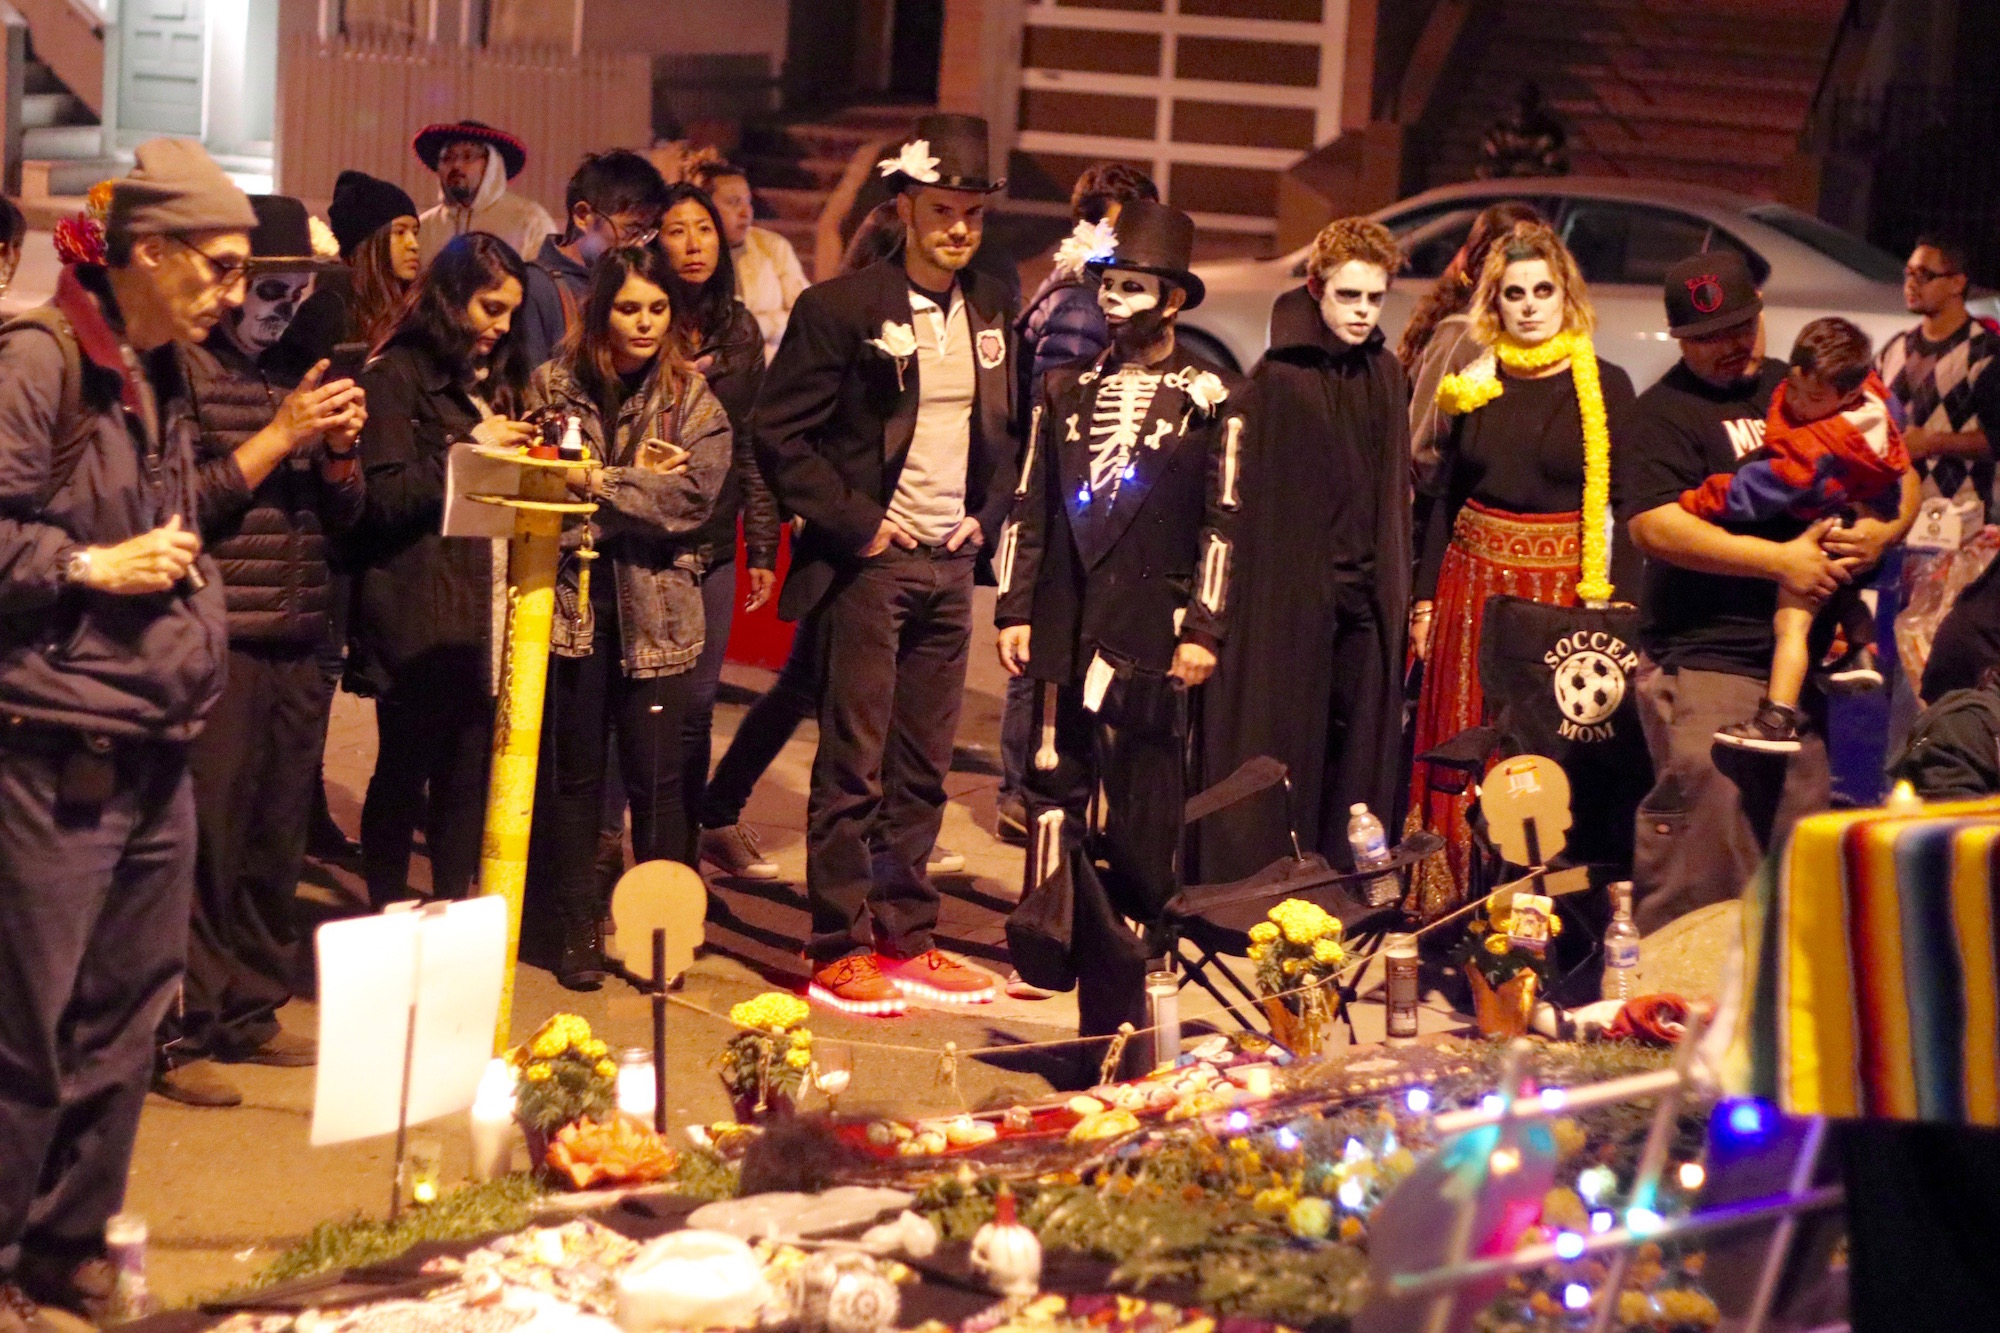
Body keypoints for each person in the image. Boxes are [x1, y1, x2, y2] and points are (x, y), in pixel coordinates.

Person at [0, 137, 249, 1326]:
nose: (235, 291)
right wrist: (91, 563)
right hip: (53, 757)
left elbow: (182, 523)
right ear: (150, 252)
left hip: (156, 752)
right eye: (220, 265)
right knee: (22, 1036)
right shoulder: (40, 362)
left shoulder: (160, 370)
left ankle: (69, 1248)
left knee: (127, 1021)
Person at [753, 113, 1017, 1015]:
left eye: (974, 215)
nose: (960, 230)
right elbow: (779, 433)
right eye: (944, 210)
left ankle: (908, 932)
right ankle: (834, 942)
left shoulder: (991, 302)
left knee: (924, 764)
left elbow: (1006, 430)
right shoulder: (841, 308)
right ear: (905, 206)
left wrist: (986, 518)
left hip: (951, 567)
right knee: (853, 765)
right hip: (874, 567)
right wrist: (862, 526)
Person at [995, 198, 1248, 1054]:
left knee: (1141, 817)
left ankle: (1146, 1001)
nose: (1114, 301)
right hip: (1068, 627)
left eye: (1133, 286)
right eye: (1108, 284)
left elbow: (1227, 520)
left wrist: (1204, 629)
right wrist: (1016, 605)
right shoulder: (1066, 392)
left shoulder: (1210, 400)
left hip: (1151, 628)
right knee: (1057, 799)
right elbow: (1033, 504)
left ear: (1173, 299)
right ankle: (1078, 991)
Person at [1613, 250, 1910, 933]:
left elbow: (1898, 463)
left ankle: (1770, 1016)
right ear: (1680, 338)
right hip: (1705, 659)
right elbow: (1654, 527)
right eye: (1711, 336)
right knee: (1704, 849)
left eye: (1744, 326)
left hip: (1795, 670)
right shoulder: (1663, 413)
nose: (1734, 345)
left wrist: (1882, 533)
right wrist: (1780, 561)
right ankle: (1669, 1013)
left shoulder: (1798, 384)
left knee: (1793, 857)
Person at [152, 196, 369, 1107]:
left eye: (296, 292)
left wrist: (339, 459)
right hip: (219, 634)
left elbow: (346, 524)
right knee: (208, 839)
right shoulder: (184, 375)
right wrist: (280, 437)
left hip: (295, 630)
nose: (281, 309)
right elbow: (183, 505)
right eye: (269, 289)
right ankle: (183, 1030)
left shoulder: (297, 371)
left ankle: (249, 1008)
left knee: (276, 835)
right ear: (233, 283)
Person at [695, 211, 971, 886]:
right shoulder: (846, 321)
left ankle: (725, 810)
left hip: (880, 547)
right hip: (847, 550)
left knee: (806, 690)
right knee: (823, 707)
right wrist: (834, 516)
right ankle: (725, 815)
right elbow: (791, 433)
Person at [1405, 220, 1637, 915]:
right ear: (1493, 305)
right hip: (1472, 585)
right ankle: (1449, 907)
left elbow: (1623, 504)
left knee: (1543, 751)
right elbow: (1442, 498)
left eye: (1544, 290)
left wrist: (1616, 603)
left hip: (1562, 592)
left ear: (1568, 298)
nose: (1531, 305)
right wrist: (1424, 604)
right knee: (1464, 741)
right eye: (1515, 293)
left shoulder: (1609, 385)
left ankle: (1539, 909)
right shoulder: (1473, 383)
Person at [524, 245, 731, 987]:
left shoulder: (691, 399)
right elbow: (542, 492)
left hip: (662, 619)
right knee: (575, 780)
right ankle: (576, 928)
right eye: (628, 307)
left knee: (659, 785)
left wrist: (596, 483)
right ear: (601, 309)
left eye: (657, 309)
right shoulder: (551, 384)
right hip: (575, 612)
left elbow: (695, 501)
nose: (643, 323)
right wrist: (636, 488)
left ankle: (661, 934)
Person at [1200, 217, 1410, 882]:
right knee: (1292, 730)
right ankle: (1276, 869)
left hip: (1362, 587)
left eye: (1374, 299)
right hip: (1296, 593)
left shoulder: (1385, 371)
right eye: (1349, 296)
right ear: (1317, 287)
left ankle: (1347, 866)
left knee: (1356, 739)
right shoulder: (1279, 376)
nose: (1362, 312)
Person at [348, 234, 536, 908]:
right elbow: (386, 497)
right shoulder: (394, 375)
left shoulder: (486, 381)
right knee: (405, 773)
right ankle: (389, 911)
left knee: (467, 778)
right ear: (451, 297)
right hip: (417, 613)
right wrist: (468, 448)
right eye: (490, 308)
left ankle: (454, 915)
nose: (501, 326)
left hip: (479, 613)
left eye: (511, 312)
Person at [993, 162, 1159, 845]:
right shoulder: (1083, 302)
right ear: (1093, 227)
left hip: (1066, 500)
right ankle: (1022, 791)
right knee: (1042, 651)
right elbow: (1061, 406)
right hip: (1061, 502)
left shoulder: (1077, 289)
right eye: (1126, 223)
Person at [1680, 318, 1916, 752]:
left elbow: (1763, 489)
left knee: (1791, 623)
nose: (1800, 403)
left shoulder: (1817, 444)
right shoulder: (1877, 403)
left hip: (1832, 527)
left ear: (1847, 394)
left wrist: (1702, 499)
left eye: (1814, 398)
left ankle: (1778, 715)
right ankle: (1860, 646)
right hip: (1862, 517)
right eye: (1794, 387)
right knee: (1838, 590)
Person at [654, 184, 778, 858]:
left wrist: (761, 541)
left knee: (699, 703)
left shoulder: (738, 328)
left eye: (703, 228)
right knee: (641, 696)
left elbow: (752, 439)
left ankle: (678, 847)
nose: (694, 242)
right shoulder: (638, 317)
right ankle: (611, 839)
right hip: (646, 536)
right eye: (676, 229)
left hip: (716, 537)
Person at [1878, 232, 2000, 518]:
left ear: (1957, 283)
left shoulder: (1985, 353)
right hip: (1893, 515)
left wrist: (1933, 442)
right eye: (1908, 273)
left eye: (1924, 275)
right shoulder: (1895, 348)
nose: (1910, 284)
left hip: (1957, 520)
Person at [518, 150, 670, 370]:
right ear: (582, 216)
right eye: (631, 230)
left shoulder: (636, 280)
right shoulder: (537, 287)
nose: (639, 246)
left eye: (647, 233)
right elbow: (530, 387)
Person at [693, 157, 809, 365]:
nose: (746, 213)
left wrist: (756, 326)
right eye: (733, 202)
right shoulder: (692, 252)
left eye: (748, 202)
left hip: (768, 370)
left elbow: (804, 317)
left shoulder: (771, 246)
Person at [412, 119, 557, 266]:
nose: (456, 165)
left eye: (468, 156)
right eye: (447, 158)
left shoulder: (529, 220)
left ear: (491, 166)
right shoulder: (423, 227)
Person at [327, 170, 421, 350]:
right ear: (369, 243)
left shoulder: (419, 311)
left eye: (415, 233)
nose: (413, 244)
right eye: (400, 232)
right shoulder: (333, 310)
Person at [1476, 81, 1568, 179]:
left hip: (1536, 187)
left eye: (1527, 105)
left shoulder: (1552, 133)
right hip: (1502, 186)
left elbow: (1557, 169)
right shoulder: (1498, 131)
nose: (1521, 110)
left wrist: (1532, 171)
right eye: (1518, 104)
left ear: (1536, 106)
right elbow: (1485, 166)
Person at [0, 195, 24, 301]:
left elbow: (10, 250)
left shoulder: (6, 211)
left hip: (14, 225)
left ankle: (6, 283)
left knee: (11, 253)